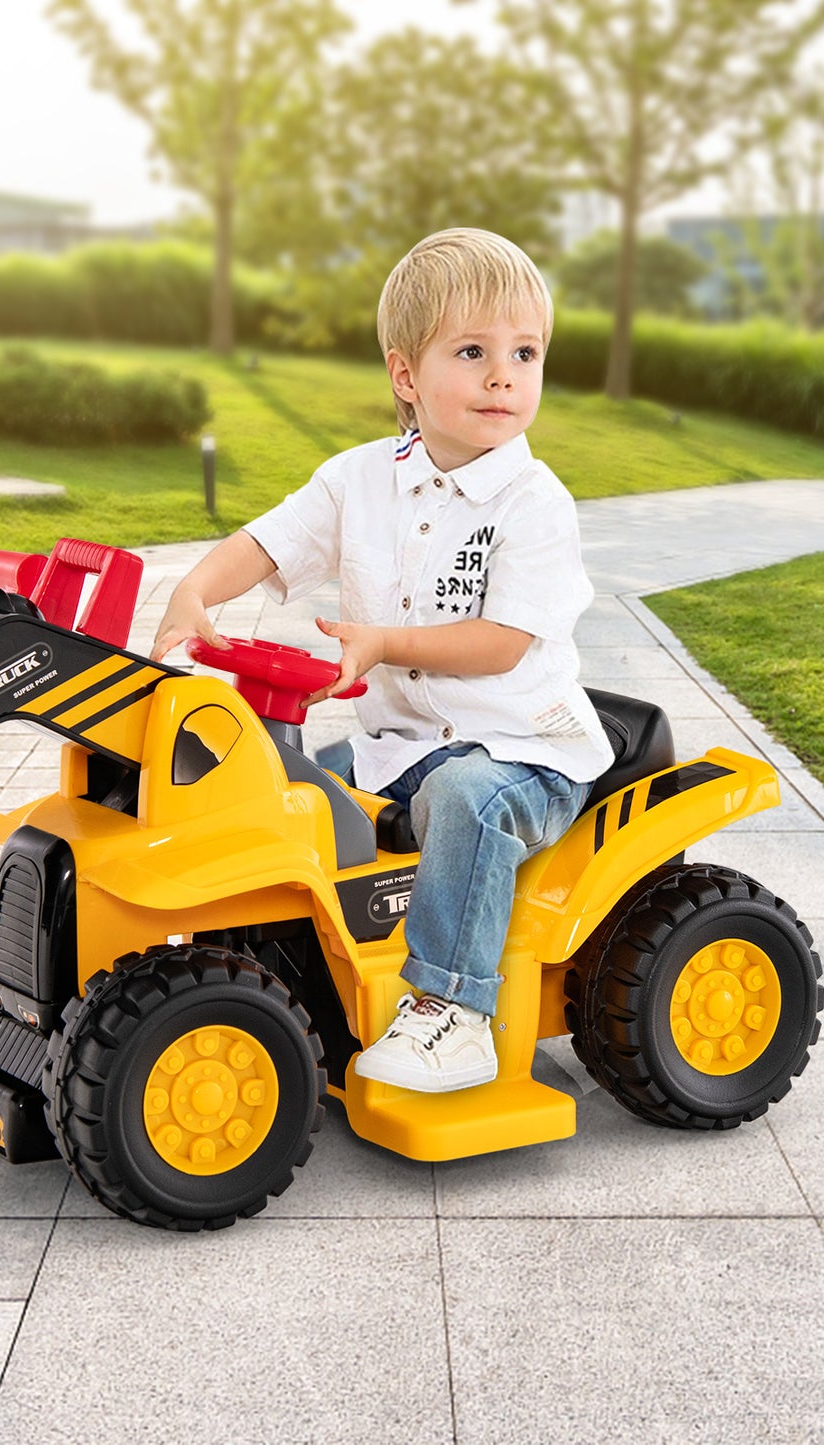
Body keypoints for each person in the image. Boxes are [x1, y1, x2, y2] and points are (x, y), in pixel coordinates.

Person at [150, 228, 613, 1093]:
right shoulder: (357, 481)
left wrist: (383, 643)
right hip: (399, 745)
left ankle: (454, 1010)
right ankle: (285, 970)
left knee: (463, 801)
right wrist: (197, 592)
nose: (503, 376)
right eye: (471, 351)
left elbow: (504, 642)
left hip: (520, 749)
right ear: (406, 375)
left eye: (524, 352)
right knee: (285, 786)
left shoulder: (533, 502)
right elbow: (268, 539)